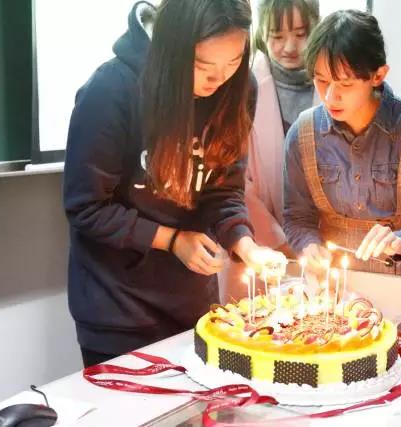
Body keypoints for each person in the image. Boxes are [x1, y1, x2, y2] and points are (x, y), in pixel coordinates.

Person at [64, 0, 285, 368]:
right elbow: (86, 208)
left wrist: (245, 245)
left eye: (233, 63)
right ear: (172, 49)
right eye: (203, 67)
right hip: (117, 307)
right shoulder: (112, 90)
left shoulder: (238, 88)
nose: (219, 80)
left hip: (191, 305)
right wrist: (172, 240)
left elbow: (224, 190)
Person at [283, 10, 401, 283]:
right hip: (333, 289)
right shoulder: (303, 134)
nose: (330, 96)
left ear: (378, 75)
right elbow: (297, 217)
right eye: (321, 80)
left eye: (345, 83)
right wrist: (309, 245)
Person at [219, 0, 320, 303]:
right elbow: (235, 181)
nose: (289, 47)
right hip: (258, 244)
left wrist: (306, 242)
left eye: (301, 34)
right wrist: (280, 242)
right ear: (262, 33)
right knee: (255, 320)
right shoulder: (241, 84)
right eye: (277, 36)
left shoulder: (333, 84)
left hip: (317, 245)